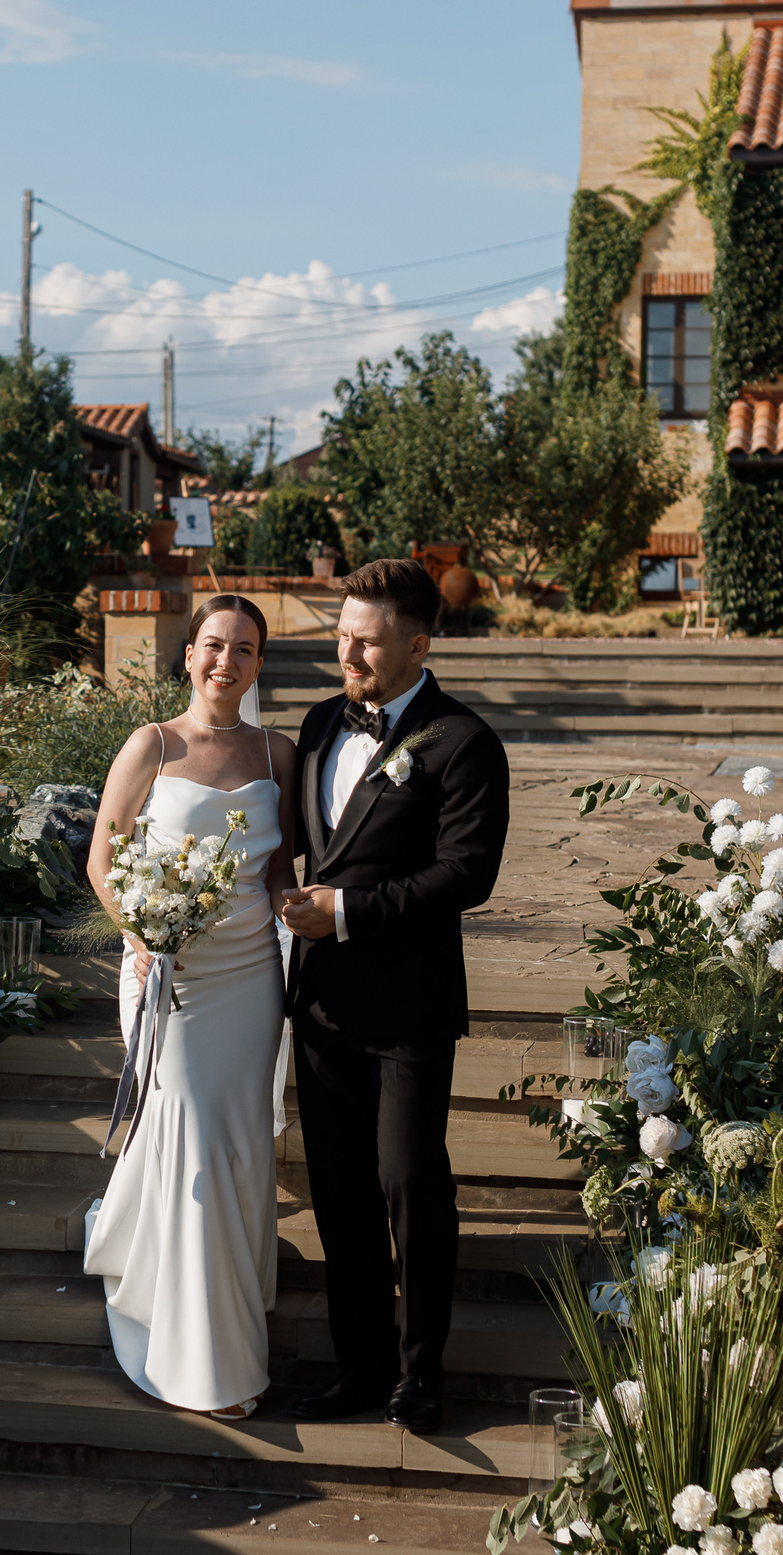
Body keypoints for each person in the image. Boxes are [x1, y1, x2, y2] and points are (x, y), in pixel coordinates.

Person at [277, 557, 511, 1433]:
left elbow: (466, 875)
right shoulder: (315, 724)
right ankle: (361, 1366)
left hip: (409, 1003)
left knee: (410, 1184)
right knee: (339, 1193)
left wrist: (345, 912)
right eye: (343, 636)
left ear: (418, 646)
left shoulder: (465, 742)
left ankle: (421, 1373)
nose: (348, 655)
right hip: (322, 1005)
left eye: (368, 643)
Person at [81, 594, 303, 1420]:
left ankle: (225, 1297)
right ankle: (208, 1359)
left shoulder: (279, 753)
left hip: (251, 977)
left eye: (244, 649)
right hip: (168, 972)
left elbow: (278, 870)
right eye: (213, 644)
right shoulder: (153, 744)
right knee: (194, 1135)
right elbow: (104, 858)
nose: (226, 661)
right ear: (188, 655)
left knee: (238, 1143)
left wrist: (294, 912)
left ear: (258, 664)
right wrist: (139, 931)